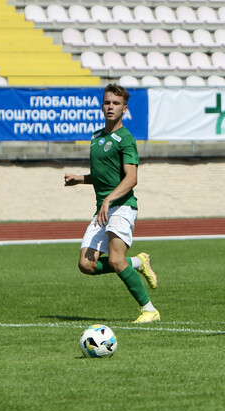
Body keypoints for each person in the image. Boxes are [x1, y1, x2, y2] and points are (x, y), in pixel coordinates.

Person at [64, 84, 160, 323]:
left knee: (116, 260)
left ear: (124, 109)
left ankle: (149, 310)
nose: (110, 107)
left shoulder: (126, 139)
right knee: (86, 265)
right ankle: (138, 262)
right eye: (107, 102)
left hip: (123, 205)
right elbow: (103, 176)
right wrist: (80, 179)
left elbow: (131, 178)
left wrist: (108, 199)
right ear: (102, 105)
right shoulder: (96, 138)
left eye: (116, 103)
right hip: (103, 208)